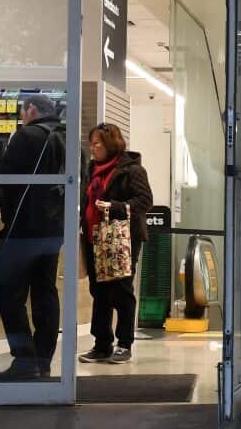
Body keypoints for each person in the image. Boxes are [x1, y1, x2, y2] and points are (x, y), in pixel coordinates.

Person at [0, 94, 68, 381]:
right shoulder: (69, 139)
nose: (21, 116)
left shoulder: (27, 136)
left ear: (31, 109)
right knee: (45, 293)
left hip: (23, 229)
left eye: (22, 111)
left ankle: (24, 359)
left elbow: (6, 175)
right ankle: (43, 360)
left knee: (7, 291)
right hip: (55, 230)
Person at [77, 123, 152, 365]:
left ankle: (124, 343)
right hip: (94, 238)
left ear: (110, 143)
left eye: (97, 142)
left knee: (121, 290)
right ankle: (101, 344)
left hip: (122, 239)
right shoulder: (92, 169)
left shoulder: (131, 170)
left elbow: (145, 200)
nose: (93, 147)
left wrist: (115, 207)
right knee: (98, 292)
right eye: (92, 142)